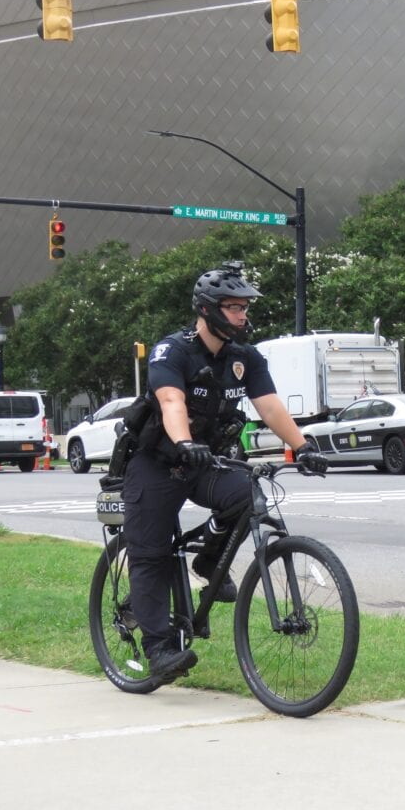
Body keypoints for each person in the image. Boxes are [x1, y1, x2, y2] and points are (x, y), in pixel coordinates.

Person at [122, 261, 328, 686]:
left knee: (248, 498)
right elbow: (171, 402)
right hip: (159, 462)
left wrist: (303, 446)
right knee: (151, 553)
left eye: (244, 308)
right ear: (208, 309)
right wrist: (183, 443)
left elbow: (269, 405)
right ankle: (159, 648)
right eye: (234, 307)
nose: (242, 315)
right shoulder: (172, 351)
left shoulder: (244, 357)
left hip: (206, 460)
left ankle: (209, 560)